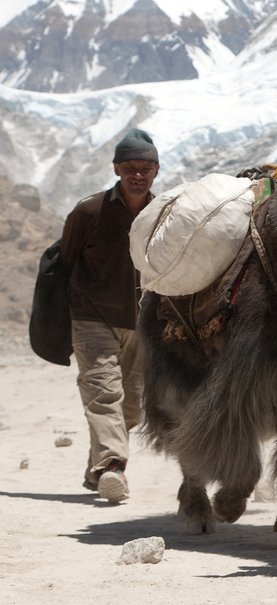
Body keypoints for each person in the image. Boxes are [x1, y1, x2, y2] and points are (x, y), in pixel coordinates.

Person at [59, 128, 159, 503]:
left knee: (131, 406)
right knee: (103, 393)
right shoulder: (90, 211)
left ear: (156, 170)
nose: (138, 175)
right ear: (116, 168)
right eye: (130, 167)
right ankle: (113, 467)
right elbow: (65, 261)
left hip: (141, 323)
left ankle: (96, 469)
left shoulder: (162, 214)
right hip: (92, 317)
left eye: (145, 168)